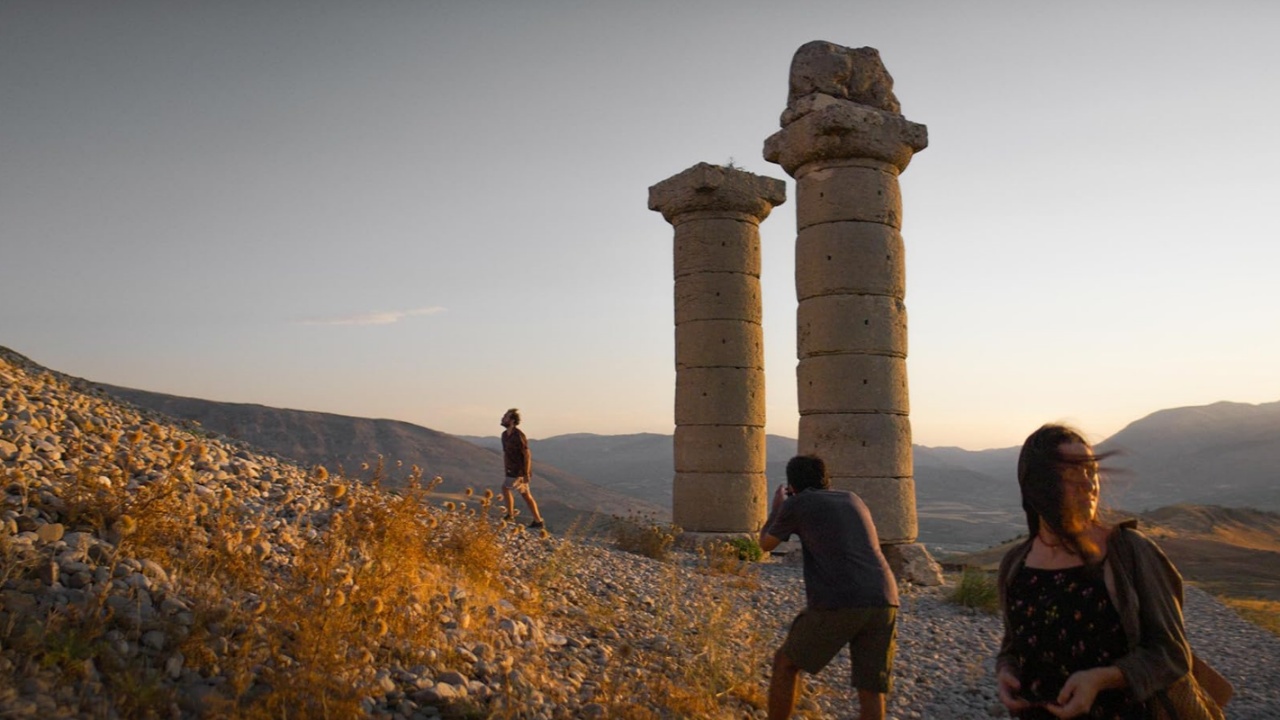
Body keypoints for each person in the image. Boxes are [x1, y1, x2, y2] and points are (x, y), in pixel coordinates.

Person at [995, 423, 1210, 719]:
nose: (1088, 484)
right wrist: (1006, 670)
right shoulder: (1016, 564)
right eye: (1072, 474)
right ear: (1037, 486)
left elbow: (1172, 655)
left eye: (1091, 472)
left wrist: (1101, 679)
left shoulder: (1129, 552)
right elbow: (1013, 644)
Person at [759, 455, 899, 720]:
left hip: (841, 599)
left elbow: (766, 545)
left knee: (785, 664)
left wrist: (776, 509)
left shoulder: (797, 504)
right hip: (885, 596)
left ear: (792, 486)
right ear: (826, 480)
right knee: (871, 689)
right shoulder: (852, 498)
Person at [499, 408, 544, 529]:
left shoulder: (518, 435)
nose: (503, 418)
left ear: (512, 420)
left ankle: (510, 515)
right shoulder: (504, 435)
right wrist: (505, 467)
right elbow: (506, 453)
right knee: (526, 495)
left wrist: (526, 473)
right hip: (510, 469)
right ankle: (538, 520)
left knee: (505, 488)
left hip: (519, 470)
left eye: (505, 417)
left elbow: (527, 454)